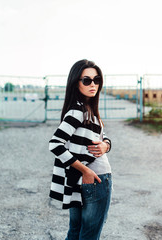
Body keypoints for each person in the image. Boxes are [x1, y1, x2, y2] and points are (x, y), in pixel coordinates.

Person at [48, 59, 112, 240]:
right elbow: (55, 144)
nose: (93, 84)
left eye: (97, 79)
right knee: (89, 235)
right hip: (95, 178)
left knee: (76, 233)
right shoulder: (78, 112)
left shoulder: (88, 110)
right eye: (87, 80)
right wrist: (86, 170)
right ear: (76, 83)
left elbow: (103, 137)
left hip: (79, 181)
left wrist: (106, 145)